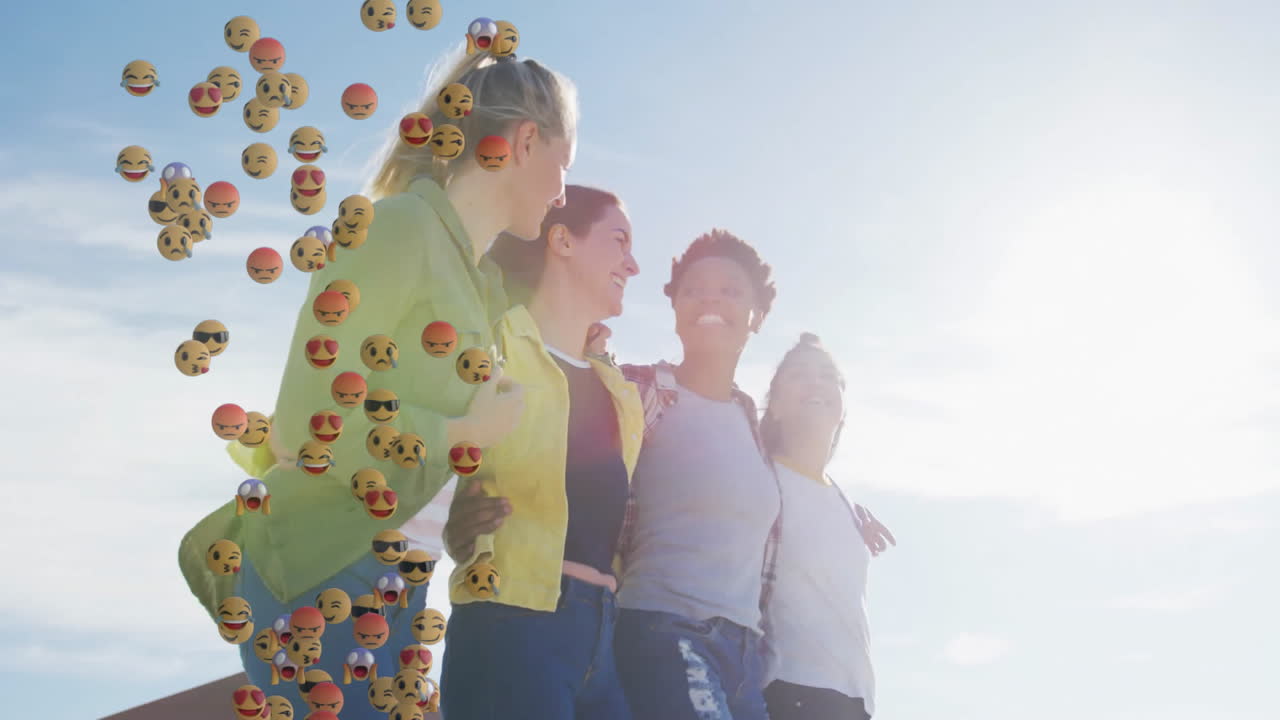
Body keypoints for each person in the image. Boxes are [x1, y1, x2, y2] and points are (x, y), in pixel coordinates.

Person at [176, 43, 578, 718]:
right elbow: (306, 426)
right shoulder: (395, 229)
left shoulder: (473, 285)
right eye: (563, 166)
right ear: (527, 142)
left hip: (398, 587)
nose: (564, 192)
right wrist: (464, 430)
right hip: (324, 575)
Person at [438, 184, 642, 719]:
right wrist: (447, 511)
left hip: (601, 637)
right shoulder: (488, 350)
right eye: (619, 241)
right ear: (562, 241)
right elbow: (414, 452)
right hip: (512, 627)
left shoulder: (620, 393)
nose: (634, 264)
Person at [757, 332, 896, 720]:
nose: (816, 383)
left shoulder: (843, 501)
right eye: (799, 374)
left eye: (827, 375)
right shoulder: (758, 479)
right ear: (776, 406)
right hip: (790, 690)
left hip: (854, 698)